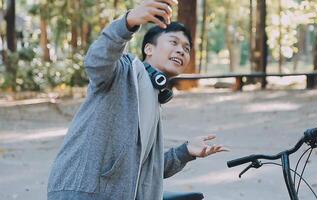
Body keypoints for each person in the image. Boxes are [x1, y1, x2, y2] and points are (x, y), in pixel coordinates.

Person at [47, 0, 227, 199]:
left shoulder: (154, 97)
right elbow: (96, 61)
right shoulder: (123, 70)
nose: (181, 51)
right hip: (82, 192)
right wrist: (128, 22)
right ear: (149, 49)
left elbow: (146, 171)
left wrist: (186, 151)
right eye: (174, 43)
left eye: (186, 48)